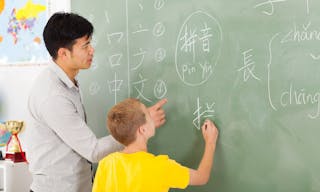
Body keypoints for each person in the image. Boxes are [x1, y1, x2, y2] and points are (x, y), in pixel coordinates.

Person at [26, 12, 167, 192]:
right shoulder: (53, 96)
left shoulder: (66, 81)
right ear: (63, 53)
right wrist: (138, 126)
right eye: (85, 46)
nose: (91, 50)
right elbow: (93, 151)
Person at [92, 98, 219, 192]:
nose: (152, 117)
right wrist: (210, 142)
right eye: (148, 115)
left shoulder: (106, 164)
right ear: (142, 130)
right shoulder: (161, 167)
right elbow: (202, 177)